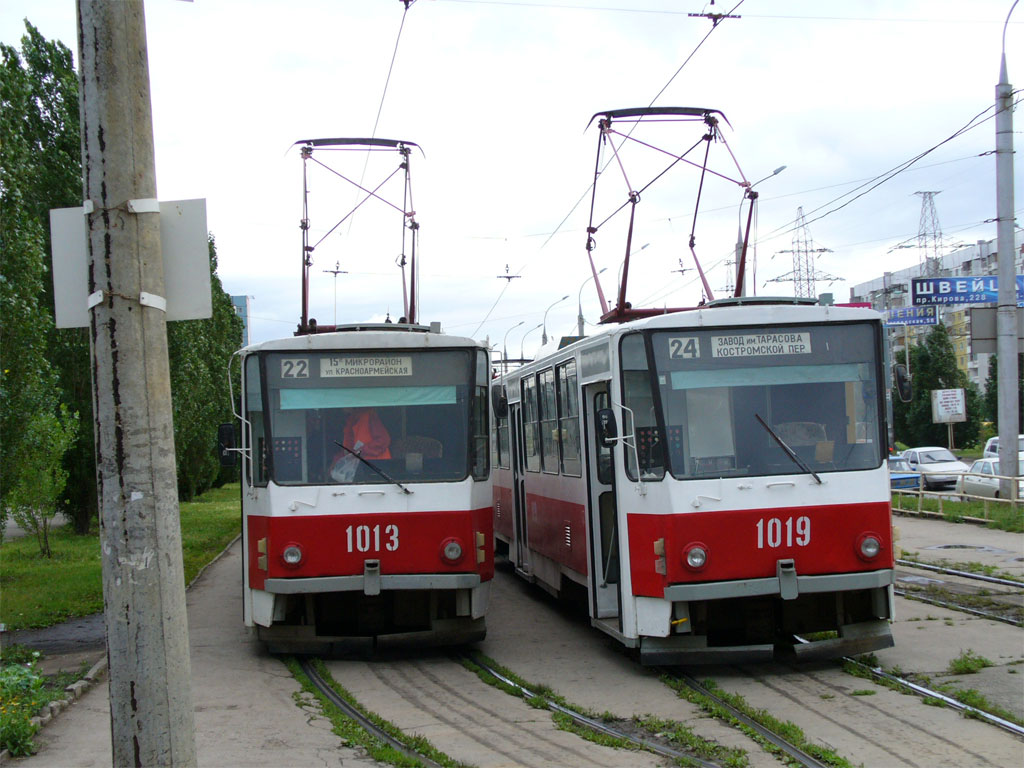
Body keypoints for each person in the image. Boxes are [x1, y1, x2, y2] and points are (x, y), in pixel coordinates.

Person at [330, 407, 391, 482]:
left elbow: (383, 440)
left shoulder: (369, 416)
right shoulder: (352, 419)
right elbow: (349, 447)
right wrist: (337, 460)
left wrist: (361, 451)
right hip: (361, 465)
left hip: (376, 466)